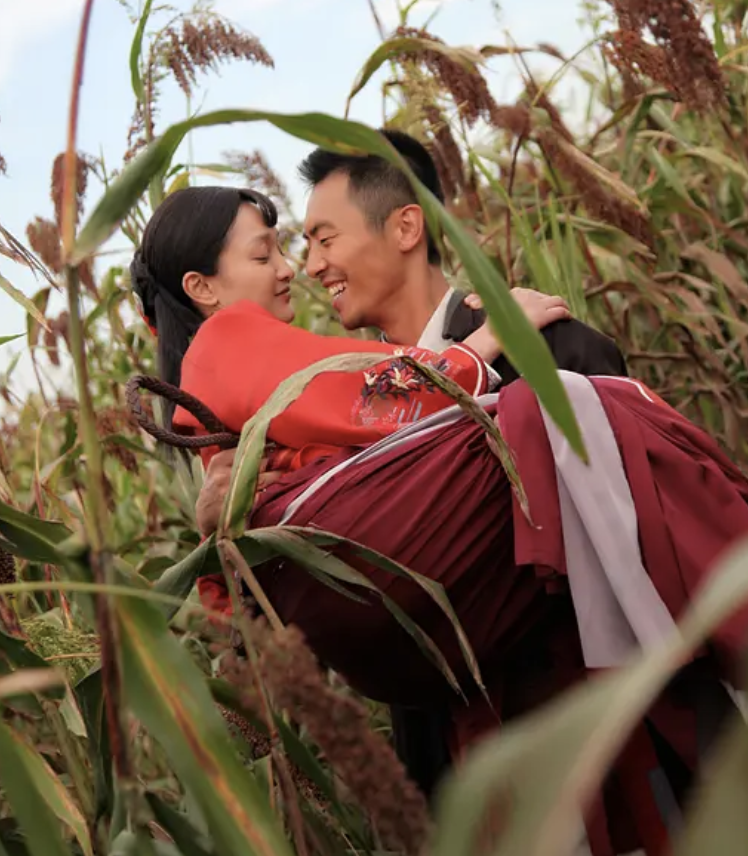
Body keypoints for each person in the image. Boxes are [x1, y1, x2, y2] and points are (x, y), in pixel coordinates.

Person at [130, 177, 748, 855]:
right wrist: (488, 341)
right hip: (473, 666)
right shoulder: (229, 338)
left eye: (310, 242)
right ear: (202, 287)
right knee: (571, 407)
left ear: (405, 228)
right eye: (264, 254)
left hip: (462, 671)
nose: (294, 269)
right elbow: (374, 399)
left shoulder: (222, 384)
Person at [195, 128, 630, 800]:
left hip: (600, 753)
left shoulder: (545, 349)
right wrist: (228, 534)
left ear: (404, 227)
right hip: (448, 780)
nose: (309, 267)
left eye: (324, 239)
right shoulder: (331, 430)